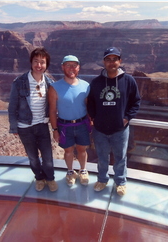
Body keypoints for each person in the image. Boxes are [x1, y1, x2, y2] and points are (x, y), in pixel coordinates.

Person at [87, 47, 141, 196]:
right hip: (100, 130)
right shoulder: (97, 82)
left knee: (120, 158)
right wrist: (94, 117)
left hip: (120, 130)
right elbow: (90, 102)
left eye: (114, 59)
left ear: (120, 61)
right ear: (104, 62)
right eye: (108, 60)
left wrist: (126, 118)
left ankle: (120, 182)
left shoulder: (129, 81)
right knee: (102, 157)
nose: (112, 63)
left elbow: (136, 102)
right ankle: (102, 180)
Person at [8, 47, 58, 192]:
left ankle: (50, 178)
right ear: (31, 62)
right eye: (36, 61)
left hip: (42, 126)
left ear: (46, 65)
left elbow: (53, 106)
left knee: (48, 158)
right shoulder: (19, 82)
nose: (39, 65)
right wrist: (14, 127)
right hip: (25, 127)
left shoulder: (49, 83)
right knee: (33, 158)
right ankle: (39, 178)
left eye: (42, 62)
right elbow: (12, 107)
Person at [49, 55, 91, 187]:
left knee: (82, 150)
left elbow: (88, 106)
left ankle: (83, 170)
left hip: (82, 124)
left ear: (78, 68)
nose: (72, 68)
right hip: (64, 126)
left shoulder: (86, 86)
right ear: (63, 67)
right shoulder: (54, 87)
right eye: (68, 65)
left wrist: (91, 122)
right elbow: (52, 111)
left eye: (75, 65)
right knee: (68, 151)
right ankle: (70, 172)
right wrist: (55, 130)